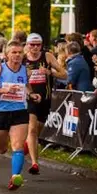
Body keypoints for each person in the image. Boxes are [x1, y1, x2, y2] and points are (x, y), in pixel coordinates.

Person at [0, 41, 41, 190]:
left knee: (18, 146)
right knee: (2, 149)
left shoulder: (25, 71)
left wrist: (32, 95)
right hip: (0, 112)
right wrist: (4, 91)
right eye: (14, 52)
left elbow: (26, 86)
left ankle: (15, 177)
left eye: (20, 52)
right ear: (7, 54)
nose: (17, 55)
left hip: (19, 111)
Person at [23, 33, 66, 175]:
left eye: (38, 45)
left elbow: (64, 74)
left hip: (46, 99)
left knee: (37, 132)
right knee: (32, 130)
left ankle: (27, 145)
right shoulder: (22, 58)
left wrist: (50, 72)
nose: (35, 47)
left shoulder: (47, 57)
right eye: (32, 44)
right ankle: (35, 163)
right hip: (29, 98)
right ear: (27, 45)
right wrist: (24, 75)